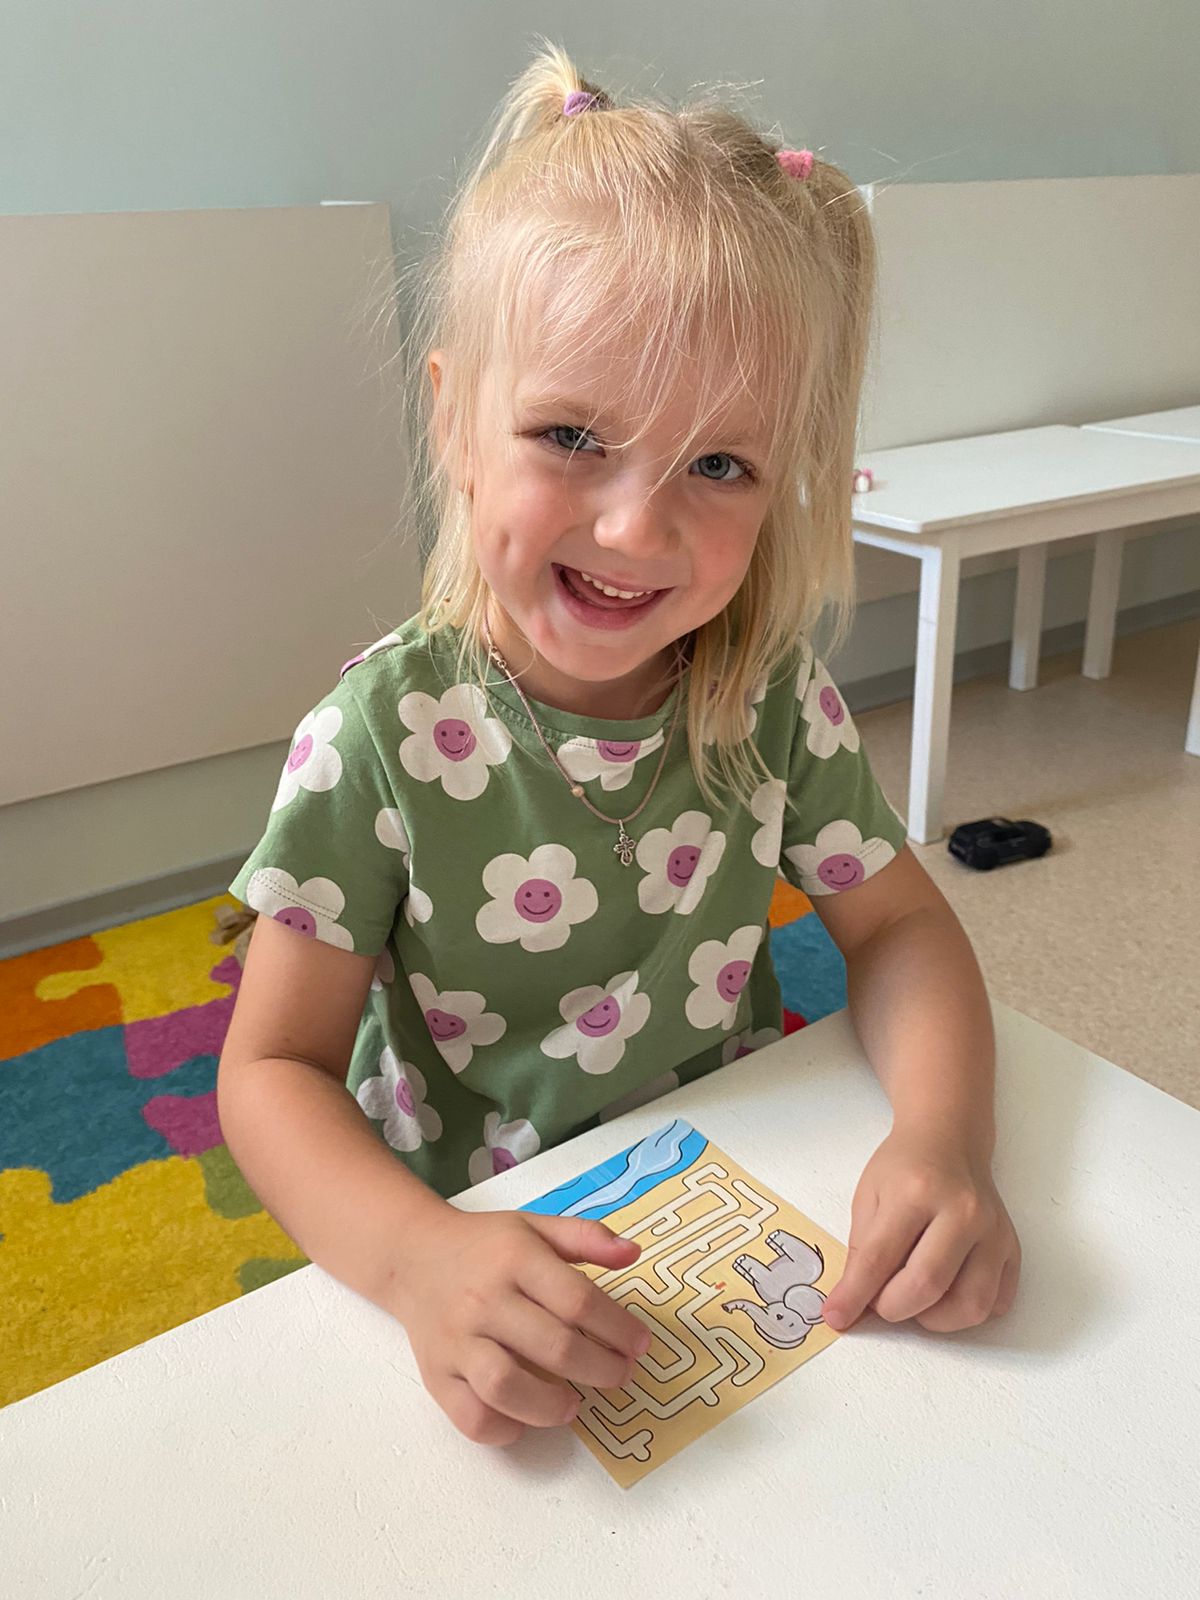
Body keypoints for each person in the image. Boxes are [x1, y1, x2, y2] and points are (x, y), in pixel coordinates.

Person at [216, 39, 1021, 1448]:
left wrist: (943, 1138)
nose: (637, 528)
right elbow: (269, 1073)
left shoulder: (770, 698)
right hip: (465, 1233)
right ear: (454, 419)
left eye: (719, 464)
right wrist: (415, 1261)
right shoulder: (379, 739)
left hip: (721, 1190)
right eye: (571, 435)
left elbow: (901, 928)